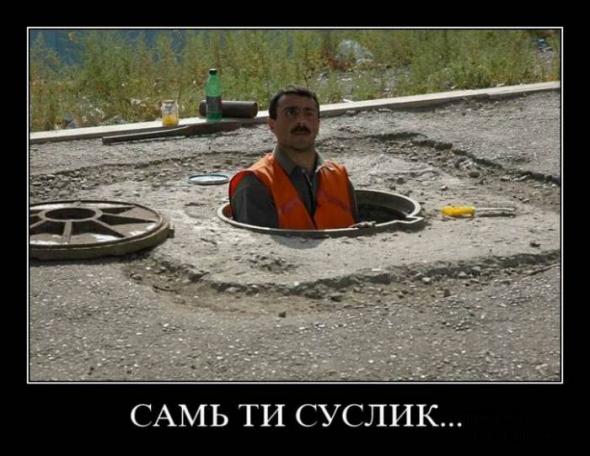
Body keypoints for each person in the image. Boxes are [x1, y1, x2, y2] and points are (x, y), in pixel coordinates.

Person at [229, 86, 359, 230]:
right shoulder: (256, 183)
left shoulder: (339, 176)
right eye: (291, 113)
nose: (301, 122)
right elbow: (259, 243)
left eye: (308, 113)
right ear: (272, 124)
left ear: (318, 124)